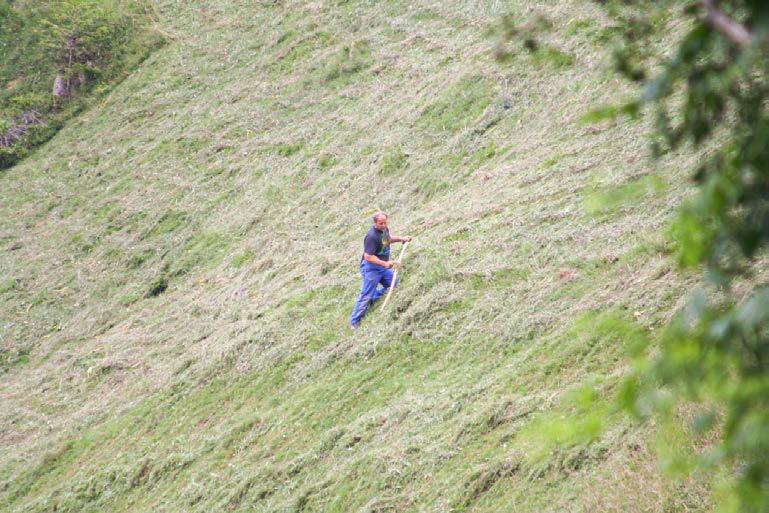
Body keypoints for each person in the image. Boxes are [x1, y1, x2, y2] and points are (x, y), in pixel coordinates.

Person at [349, 212, 412, 328]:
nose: (383, 225)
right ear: (375, 223)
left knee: (394, 284)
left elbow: (387, 239)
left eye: (385, 222)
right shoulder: (371, 237)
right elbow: (368, 256)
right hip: (371, 268)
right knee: (366, 295)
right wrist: (385, 263)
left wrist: (401, 238)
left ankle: (373, 298)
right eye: (380, 223)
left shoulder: (385, 229)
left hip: (382, 267)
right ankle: (354, 321)